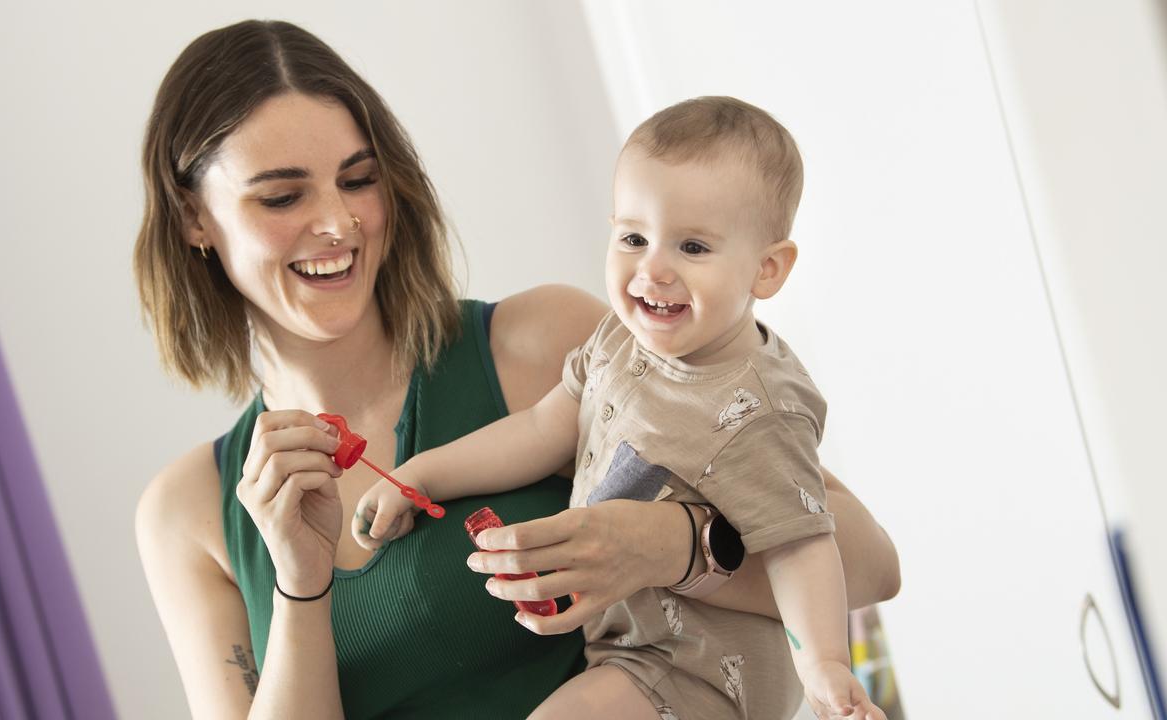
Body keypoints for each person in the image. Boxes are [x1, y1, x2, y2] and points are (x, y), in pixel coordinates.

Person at [133, 19, 900, 720]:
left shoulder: (541, 344)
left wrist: (671, 547)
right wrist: (300, 585)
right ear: (194, 216)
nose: (337, 222)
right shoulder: (189, 514)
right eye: (281, 195)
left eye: (359, 180)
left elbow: (867, 560)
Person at [356, 96, 886, 720]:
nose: (652, 268)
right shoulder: (616, 341)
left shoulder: (758, 406)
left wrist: (823, 662)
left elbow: (801, 543)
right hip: (628, 652)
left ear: (766, 269)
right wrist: (421, 474)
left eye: (692, 247)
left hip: (699, 672)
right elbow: (541, 428)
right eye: (633, 237)